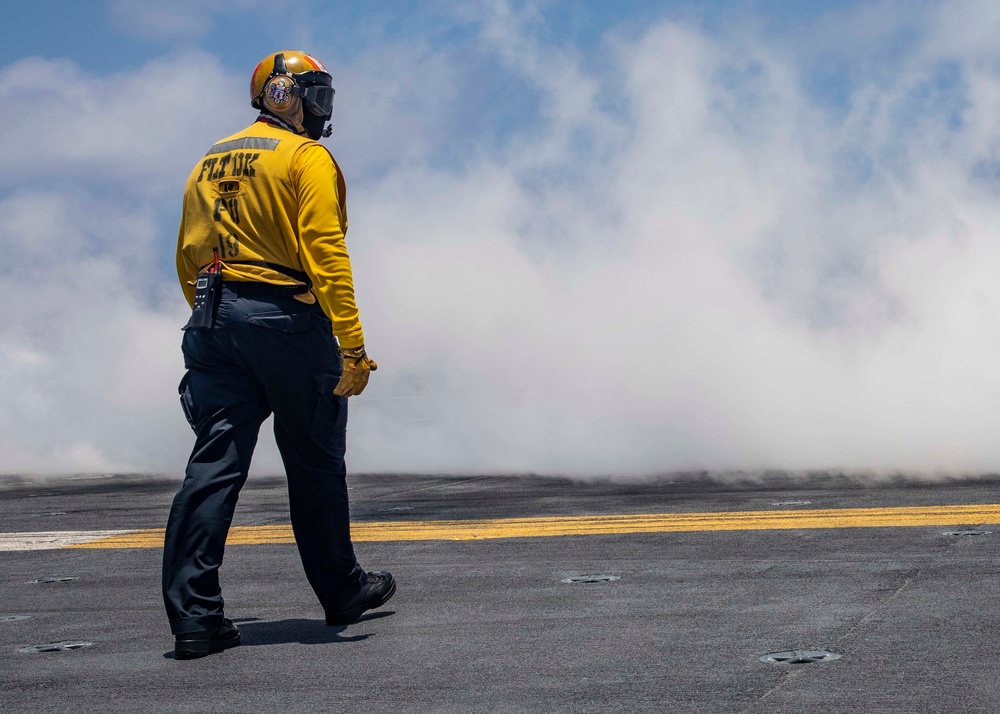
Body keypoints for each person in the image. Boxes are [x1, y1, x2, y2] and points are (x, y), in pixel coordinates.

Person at [162, 50, 394, 660]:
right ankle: (341, 593)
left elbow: (187, 254)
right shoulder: (305, 157)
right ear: (282, 94)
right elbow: (325, 249)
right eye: (314, 94)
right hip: (287, 321)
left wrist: (214, 320)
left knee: (212, 468)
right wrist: (353, 345)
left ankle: (195, 620)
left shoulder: (208, 158)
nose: (323, 109)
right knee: (315, 461)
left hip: (213, 319)